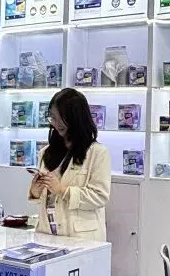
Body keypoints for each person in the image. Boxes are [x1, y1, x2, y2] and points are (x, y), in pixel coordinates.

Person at [28, 88, 111, 241]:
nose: (56, 124)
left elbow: (100, 197)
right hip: (47, 232)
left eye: (62, 118)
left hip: (81, 237)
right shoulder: (46, 152)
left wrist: (62, 190)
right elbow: (46, 197)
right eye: (53, 118)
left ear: (76, 118)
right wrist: (35, 192)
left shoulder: (97, 153)